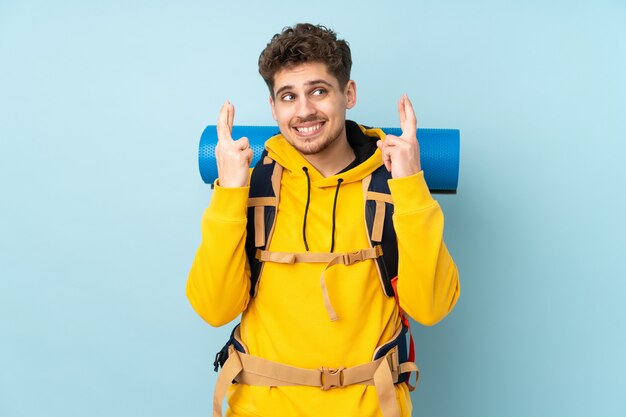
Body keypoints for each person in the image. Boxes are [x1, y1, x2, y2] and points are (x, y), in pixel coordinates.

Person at [187, 23, 460, 417]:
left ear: (347, 94)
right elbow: (214, 308)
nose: (304, 111)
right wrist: (229, 193)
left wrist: (412, 187)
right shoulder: (250, 186)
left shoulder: (393, 184)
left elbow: (432, 308)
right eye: (288, 96)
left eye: (318, 91)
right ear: (273, 108)